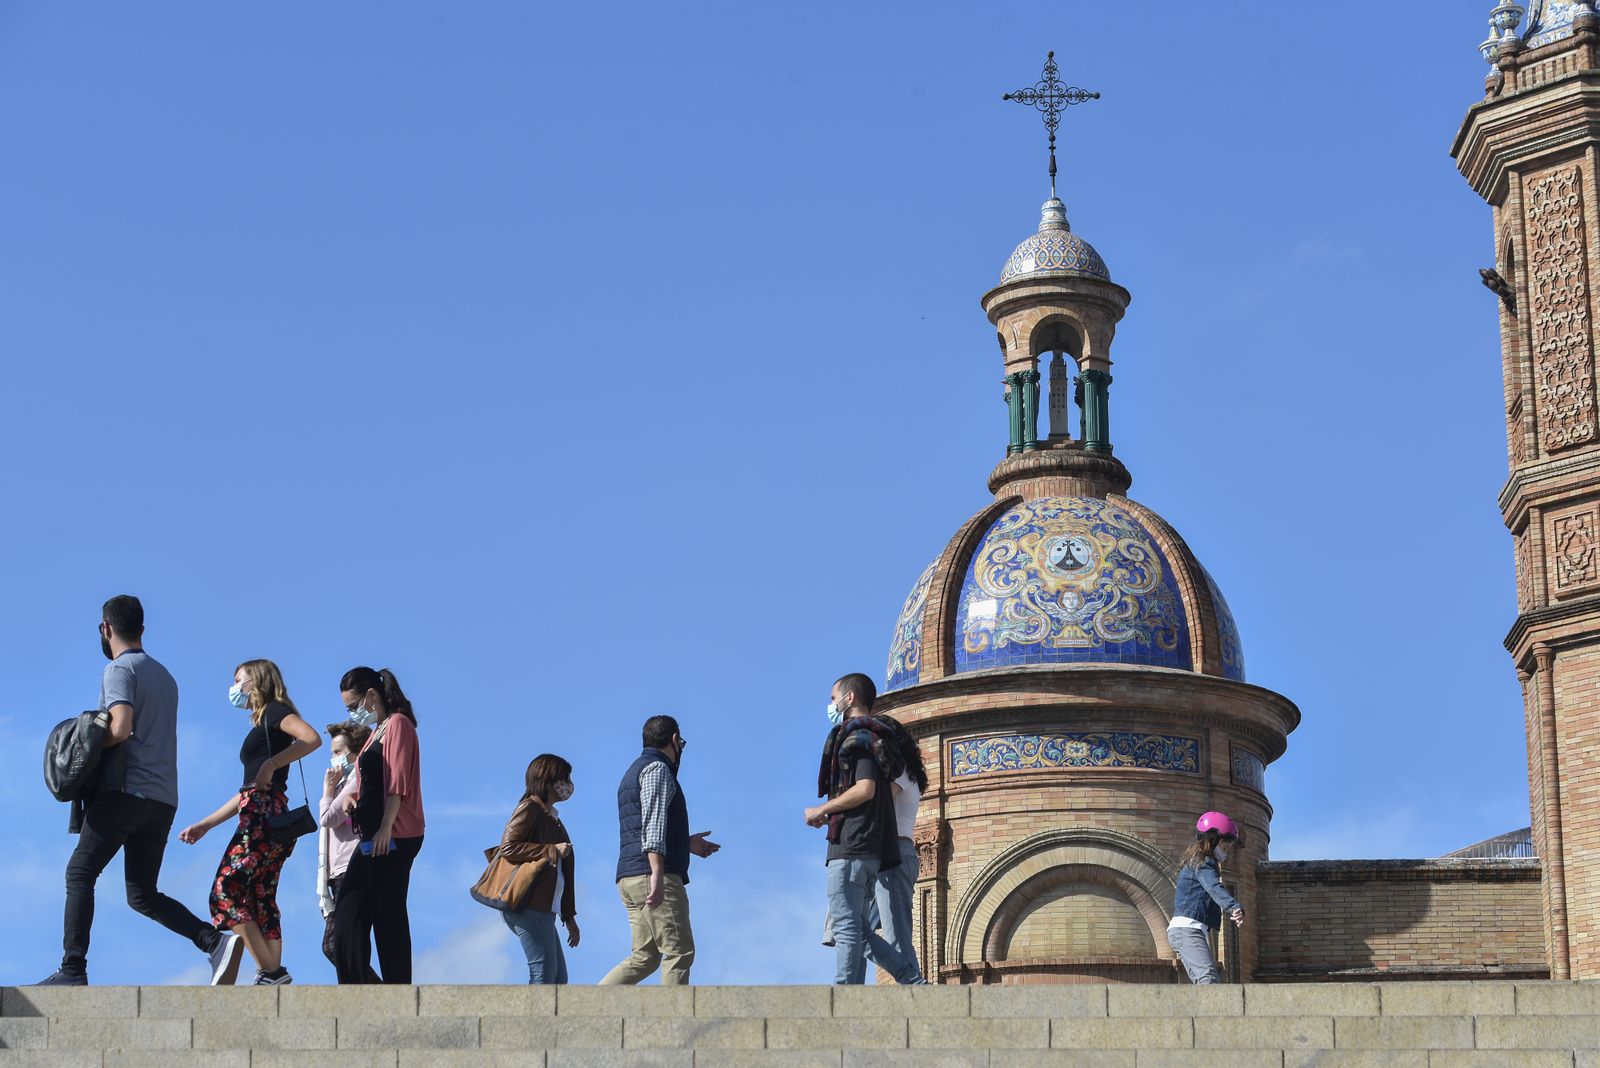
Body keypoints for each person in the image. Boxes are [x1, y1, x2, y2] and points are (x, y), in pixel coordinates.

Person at [41, 596, 239, 987]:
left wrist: (83, 744)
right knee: (142, 893)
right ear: (142, 630)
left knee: (79, 873)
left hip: (124, 793)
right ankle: (213, 940)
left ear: (106, 628)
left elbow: (120, 727)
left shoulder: (119, 668)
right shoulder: (165, 676)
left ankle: (72, 969)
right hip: (162, 800)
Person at [178, 659, 321, 985]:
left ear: (256, 681)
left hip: (262, 814)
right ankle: (273, 973)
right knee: (260, 895)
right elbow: (247, 789)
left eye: (238, 680)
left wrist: (271, 764)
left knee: (225, 890)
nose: (234, 688)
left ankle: (271, 971)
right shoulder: (265, 720)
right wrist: (206, 824)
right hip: (269, 814)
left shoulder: (274, 712)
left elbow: (312, 738)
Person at [805, 672, 917, 985]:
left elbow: (865, 791)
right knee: (855, 926)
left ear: (849, 698)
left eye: (833, 698)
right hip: (873, 848)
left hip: (861, 845)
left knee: (856, 928)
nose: (831, 705)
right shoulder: (874, 746)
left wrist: (824, 809)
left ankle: (859, 990)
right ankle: (907, 980)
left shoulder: (862, 740)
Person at [600, 715, 720, 985]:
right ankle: (674, 1014)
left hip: (630, 874)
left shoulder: (633, 771)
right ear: (675, 740)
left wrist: (685, 843)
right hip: (652, 874)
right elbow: (653, 823)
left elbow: (640, 825)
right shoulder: (658, 769)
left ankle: (587, 1004)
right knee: (679, 951)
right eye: (682, 743)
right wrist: (657, 873)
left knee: (644, 957)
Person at [331, 666, 425, 984]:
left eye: (353, 706)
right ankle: (358, 987)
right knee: (349, 913)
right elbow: (367, 778)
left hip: (394, 833)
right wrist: (351, 797)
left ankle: (397, 988)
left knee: (388, 914)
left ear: (371, 695)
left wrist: (386, 827)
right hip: (373, 835)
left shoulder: (398, 724)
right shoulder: (377, 731)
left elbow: (398, 782)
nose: (352, 714)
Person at [497, 754, 580, 983]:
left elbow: (563, 871)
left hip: (543, 907)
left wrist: (568, 916)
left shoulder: (552, 818)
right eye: (565, 778)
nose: (568, 785)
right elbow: (508, 847)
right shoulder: (530, 808)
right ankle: (535, 1010)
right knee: (543, 973)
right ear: (549, 780)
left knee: (558, 979)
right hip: (529, 903)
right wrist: (550, 849)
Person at [861, 713, 927, 984]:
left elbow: (880, 809)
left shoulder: (899, 772)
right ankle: (912, 982)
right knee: (852, 929)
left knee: (897, 937)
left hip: (894, 854)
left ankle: (916, 989)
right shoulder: (906, 773)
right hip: (888, 856)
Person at [1166, 811, 1246, 985]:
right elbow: (1213, 887)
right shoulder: (1204, 862)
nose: (1225, 852)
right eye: (1225, 846)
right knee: (1208, 978)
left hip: (1188, 930)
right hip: (1187, 929)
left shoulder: (1197, 861)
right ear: (1214, 839)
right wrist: (1233, 906)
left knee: (1205, 980)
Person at [316, 720, 371, 975]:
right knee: (344, 943)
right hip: (337, 870)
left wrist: (327, 791)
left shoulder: (356, 781)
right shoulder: (343, 784)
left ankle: (375, 990)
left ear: (355, 752)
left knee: (335, 944)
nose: (334, 759)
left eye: (338, 752)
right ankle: (369, 989)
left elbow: (327, 818)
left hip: (349, 865)